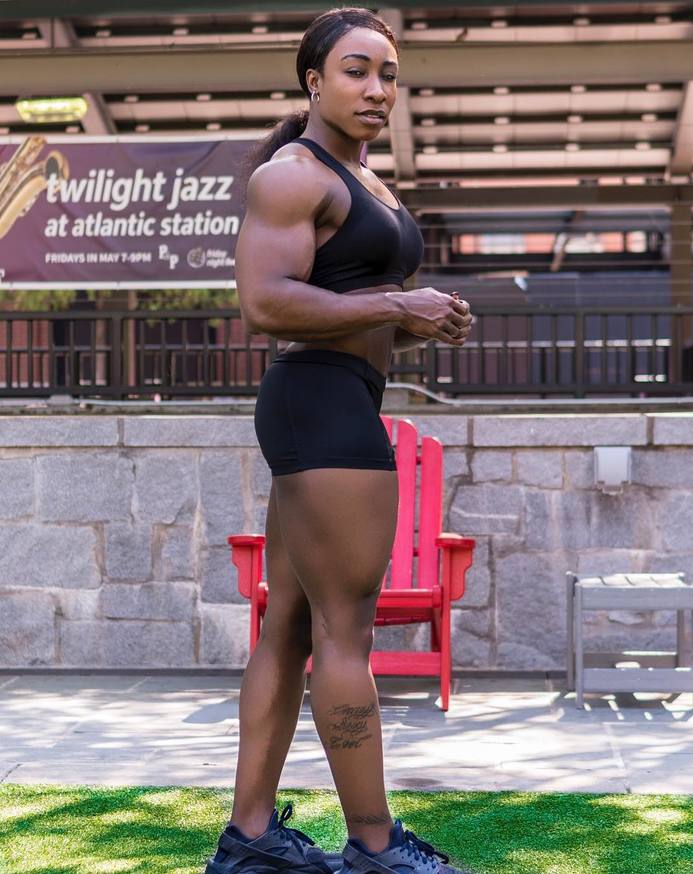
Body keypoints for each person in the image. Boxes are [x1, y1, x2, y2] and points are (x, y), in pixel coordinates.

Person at [204, 7, 476, 874]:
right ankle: (374, 843)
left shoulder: (366, 180)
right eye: (357, 70)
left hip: (332, 399)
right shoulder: (292, 175)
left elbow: (347, 297)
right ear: (314, 81)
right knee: (346, 632)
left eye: (389, 74)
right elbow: (265, 302)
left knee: (288, 623)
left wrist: (417, 320)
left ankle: (250, 838)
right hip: (319, 405)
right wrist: (399, 304)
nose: (377, 88)